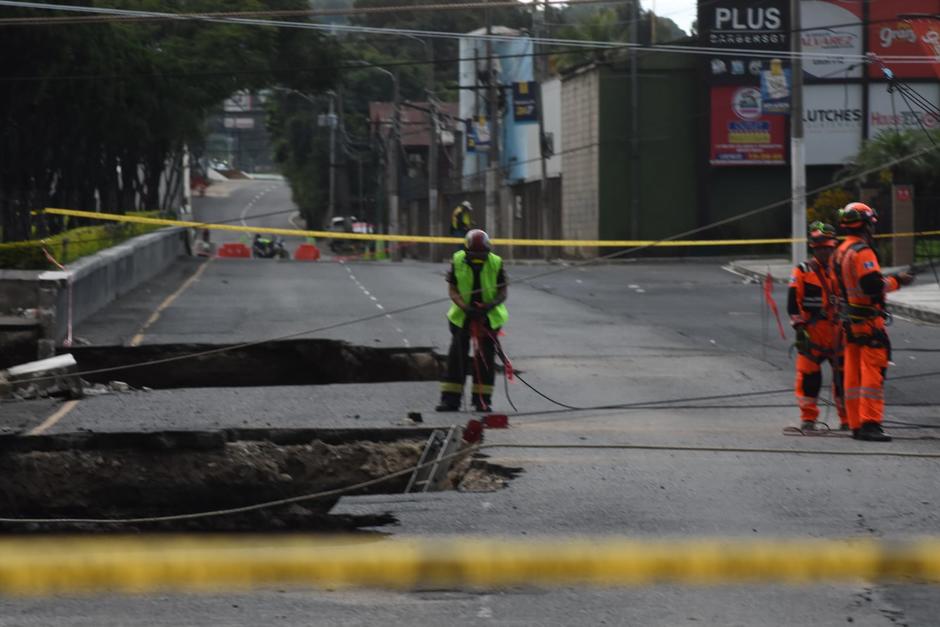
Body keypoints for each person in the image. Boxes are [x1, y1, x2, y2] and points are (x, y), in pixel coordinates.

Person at [831, 202, 915, 442]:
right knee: (872, 374)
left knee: (853, 375)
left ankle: (856, 424)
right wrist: (897, 281)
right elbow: (871, 286)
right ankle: (871, 423)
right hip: (868, 322)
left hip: (850, 322)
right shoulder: (862, 252)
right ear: (866, 225)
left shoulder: (840, 250)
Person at [436, 229, 509, 412]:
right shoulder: (457, 259)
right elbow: (452, 289)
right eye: (474, 255)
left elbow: (503, 291)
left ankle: (482, 401)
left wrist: (489, 306)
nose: (478, 259)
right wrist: (465, 307)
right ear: (467, 251)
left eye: (482, 255)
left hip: (488, 317)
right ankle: (450, 400)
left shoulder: (496, 262)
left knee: (485, 360)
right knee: (456, 358)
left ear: (488, 251)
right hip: (462, 316)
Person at [788, 222, 846, 431]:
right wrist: (799, 328)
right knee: (810, 378)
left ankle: (847, 419)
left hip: (838, 332)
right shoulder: (803, 271)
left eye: (828, 248)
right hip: (812, 334)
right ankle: (809, 417)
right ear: (814, 248)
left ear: (833, 247)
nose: (824, 251)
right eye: (820, 248)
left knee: (843, 379)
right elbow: (792, 303)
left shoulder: (841, 270)